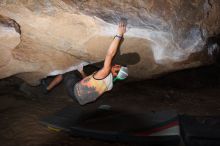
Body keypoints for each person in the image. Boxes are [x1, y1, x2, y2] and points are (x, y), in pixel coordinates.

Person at [42, 21, 128, 105]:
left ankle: (47, 88)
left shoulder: (105, 72)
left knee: (66, 72)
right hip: (81, 100)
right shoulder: (109, 86)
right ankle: (71, 83)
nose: (116, 65)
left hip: (74, 91)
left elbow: (110, 54)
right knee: (79, 76)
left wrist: (119, 34)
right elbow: (89, 82)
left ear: (116, 74)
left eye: (118, 67)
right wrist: (81, 71)